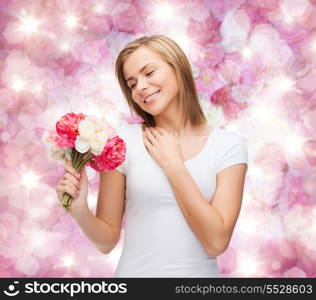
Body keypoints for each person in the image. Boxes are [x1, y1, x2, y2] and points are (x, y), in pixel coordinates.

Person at [56, 34, 248, 277]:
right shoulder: (121, 143)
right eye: (132, 83)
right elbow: (107, 241)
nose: (141, 87)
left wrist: (173, 165)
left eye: (149, 72)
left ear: (178, 68)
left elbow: (216, 242)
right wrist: (80, 210)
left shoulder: (228, 146)